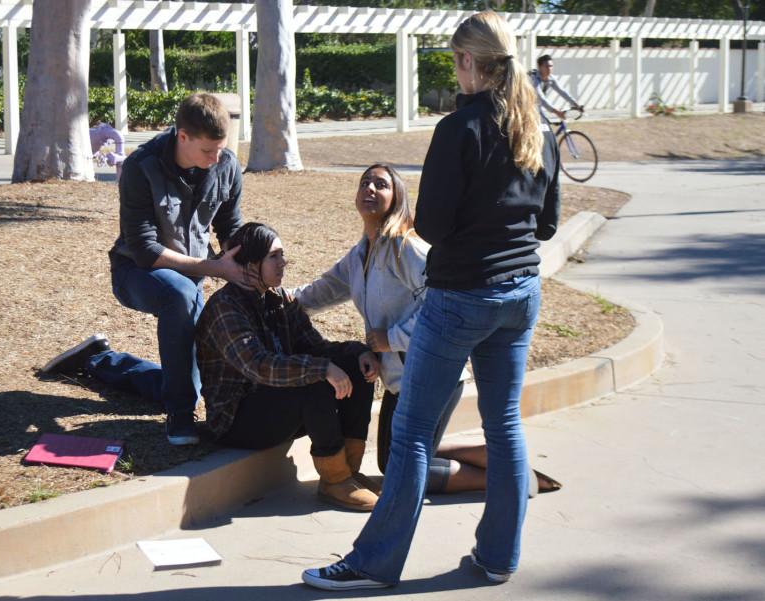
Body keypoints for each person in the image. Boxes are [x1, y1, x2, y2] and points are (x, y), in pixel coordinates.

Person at [302, 10, 560, 590]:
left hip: (462, 294)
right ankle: (497, 558)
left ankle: (373, 564)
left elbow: (435, 227)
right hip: (521, 294)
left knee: (413, 434)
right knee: (505, 426)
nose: (455, 71)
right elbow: (547, 224)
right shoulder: (537, 128)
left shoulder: (459, 128)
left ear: (468, 61)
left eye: (454, 61)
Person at [292, 164, 561, 496]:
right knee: (393, 461)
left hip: (435, 374)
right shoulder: (360, 254)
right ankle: (492, 455)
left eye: (381, 184)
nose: (370, 189)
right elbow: (316, 293)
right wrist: (268, 293)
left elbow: (445, 302)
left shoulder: (407, 248)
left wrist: (392, 338)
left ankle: (506, 478)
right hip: (402, 381)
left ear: (397, 197)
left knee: (397, 469)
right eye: (365, 183)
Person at [40, 93, 245, 446]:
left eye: (220, 150)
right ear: (183, 136)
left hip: (191, 276)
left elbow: (229, 228)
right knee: (181, 297)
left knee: (185, 385)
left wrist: (249, 261)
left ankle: (99, 360)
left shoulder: (225, 164)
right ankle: (180, 419)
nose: (215, 160)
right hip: (135, 273)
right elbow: (145, 249)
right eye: (207, 151)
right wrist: (214, 268)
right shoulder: (142, 166)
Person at [195, 223, 382, 511]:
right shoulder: (226, 307)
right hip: (238, 420)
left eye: (282, 255)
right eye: (274, 256)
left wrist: (357, 352)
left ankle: (348, 470)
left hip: (278, 407)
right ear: (251, 262)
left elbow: (316, 347)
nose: (283, 262)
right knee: (313, 382)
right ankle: (334, 480)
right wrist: (322, 369)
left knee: (355, 367)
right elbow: (259, 366)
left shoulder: (279, 299)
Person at [530, 54, 584, 122]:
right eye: (546, 66)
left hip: (535, 107)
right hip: (523, 108)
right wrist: (557, 112)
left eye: (551, 66)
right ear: (539, 67)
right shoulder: (533, 78)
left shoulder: (551, 78)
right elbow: (541, 98)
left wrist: (576, 105)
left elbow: (562, 92)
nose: (549, 69)